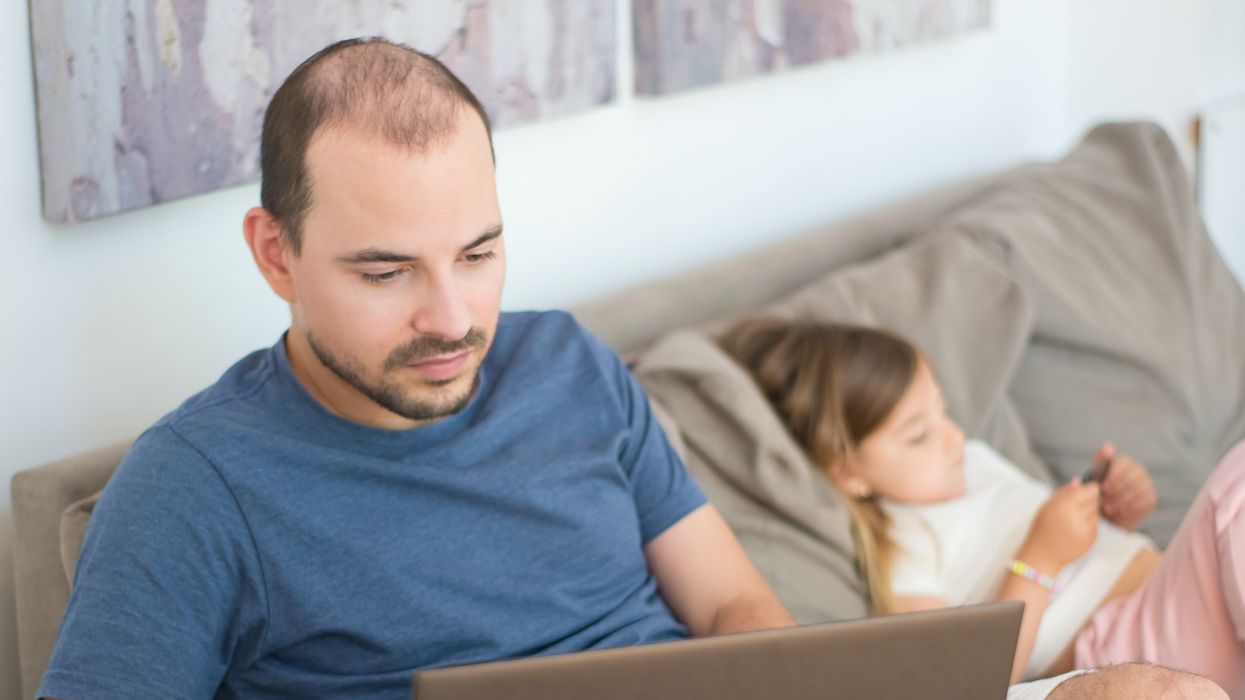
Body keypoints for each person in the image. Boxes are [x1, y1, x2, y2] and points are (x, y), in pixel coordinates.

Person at [37, 37, 1224, 700]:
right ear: (276, 254)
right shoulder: (194, 484)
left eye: (480, 250)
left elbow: (731, 604)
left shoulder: (568, 365)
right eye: (387, 271)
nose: (455, 318)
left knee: (1148, 698)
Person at [720, 316, 1244, 694]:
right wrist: (1040, 558)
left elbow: (1083, 544)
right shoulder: (907, 545)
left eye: (943, 411)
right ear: (848, 472)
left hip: (1176, 595)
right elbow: (960, 683)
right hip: (1124, 653)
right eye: (918, 434)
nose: (951, 437)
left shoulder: (975, 459)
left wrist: (1115, 511)